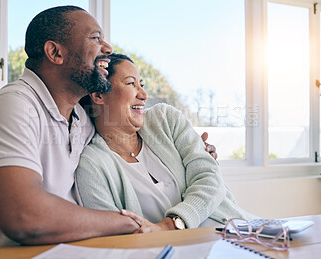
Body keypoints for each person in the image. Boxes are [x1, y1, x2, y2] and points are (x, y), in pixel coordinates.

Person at [0, 6, 215, 248]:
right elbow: (22, 215)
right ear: (55, 53)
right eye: (95, 38)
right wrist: (128, 222)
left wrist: (192, 150)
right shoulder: (14, 106)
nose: (108, 48)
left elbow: (125, 124)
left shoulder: (81, 120)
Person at [76, 53, 257, 232]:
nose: (144, 95)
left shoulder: (165, 119)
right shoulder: (91, 165)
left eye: (142, 85)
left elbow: (210, 178)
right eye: (131, 83)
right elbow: (114, 233)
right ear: (98, 95)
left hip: (238, 231)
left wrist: (169, 225)